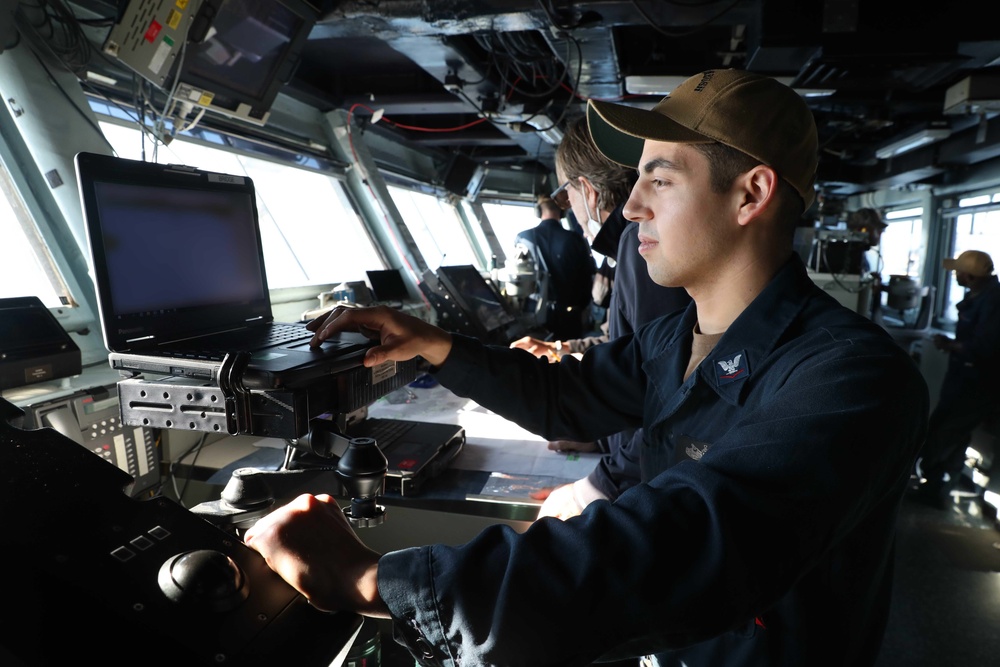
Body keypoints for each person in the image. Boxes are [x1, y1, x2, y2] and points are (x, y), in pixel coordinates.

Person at [244, 69, 929, 666]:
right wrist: (433, 344)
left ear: (750, 195)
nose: (631, 207)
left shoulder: (853, 380)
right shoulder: (676, 338)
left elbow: (680, 546)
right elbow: (566, 393)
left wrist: (370, 577)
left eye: (659, 179)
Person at [510, 116, 692, 515]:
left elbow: (664, 393)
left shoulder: (636, 243)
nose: (569, 209)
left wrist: (594, 489)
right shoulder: (631, 246)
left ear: (587, 191)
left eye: (565, 195)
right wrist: (600, 439)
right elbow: (635, 350)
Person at [915, 249, 1000, 510]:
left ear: (971, 276)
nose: (954, 275)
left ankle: (935, 487)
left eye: (958, 271)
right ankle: (937, 487)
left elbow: (986, 347)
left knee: (943, 434)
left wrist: (952, 346)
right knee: (951, 433)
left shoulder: (994, 302)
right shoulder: (978, 295)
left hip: (977, 384)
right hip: (962, 379)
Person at [513, 193, 596, 339]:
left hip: (534, 314)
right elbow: (588, 277)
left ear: (538, 211)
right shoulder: (575, 239)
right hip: (569, 316)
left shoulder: (522, 237)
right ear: (563, 210)